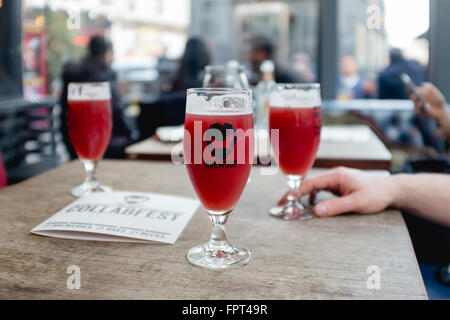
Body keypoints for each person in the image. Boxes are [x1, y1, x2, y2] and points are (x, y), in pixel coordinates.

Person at [61, 35, 133, 159]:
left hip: (72, 145)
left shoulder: (74, 74)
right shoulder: (102, 78)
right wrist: (131, 134)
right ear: (106, 54)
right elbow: (115, 113)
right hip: (104, 146)